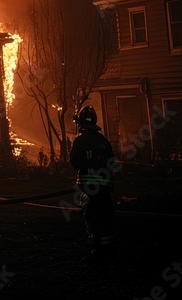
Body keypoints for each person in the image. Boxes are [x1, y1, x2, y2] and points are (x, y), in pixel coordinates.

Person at [69, 105, 116, 260]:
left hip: (89, 191)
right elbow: (112, 163)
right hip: (105, 189)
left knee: (93, 218)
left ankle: (97, 250)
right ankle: (108, 248)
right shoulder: (104, 141)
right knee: (105, 218)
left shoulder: (80, 142)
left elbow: (75, 162)